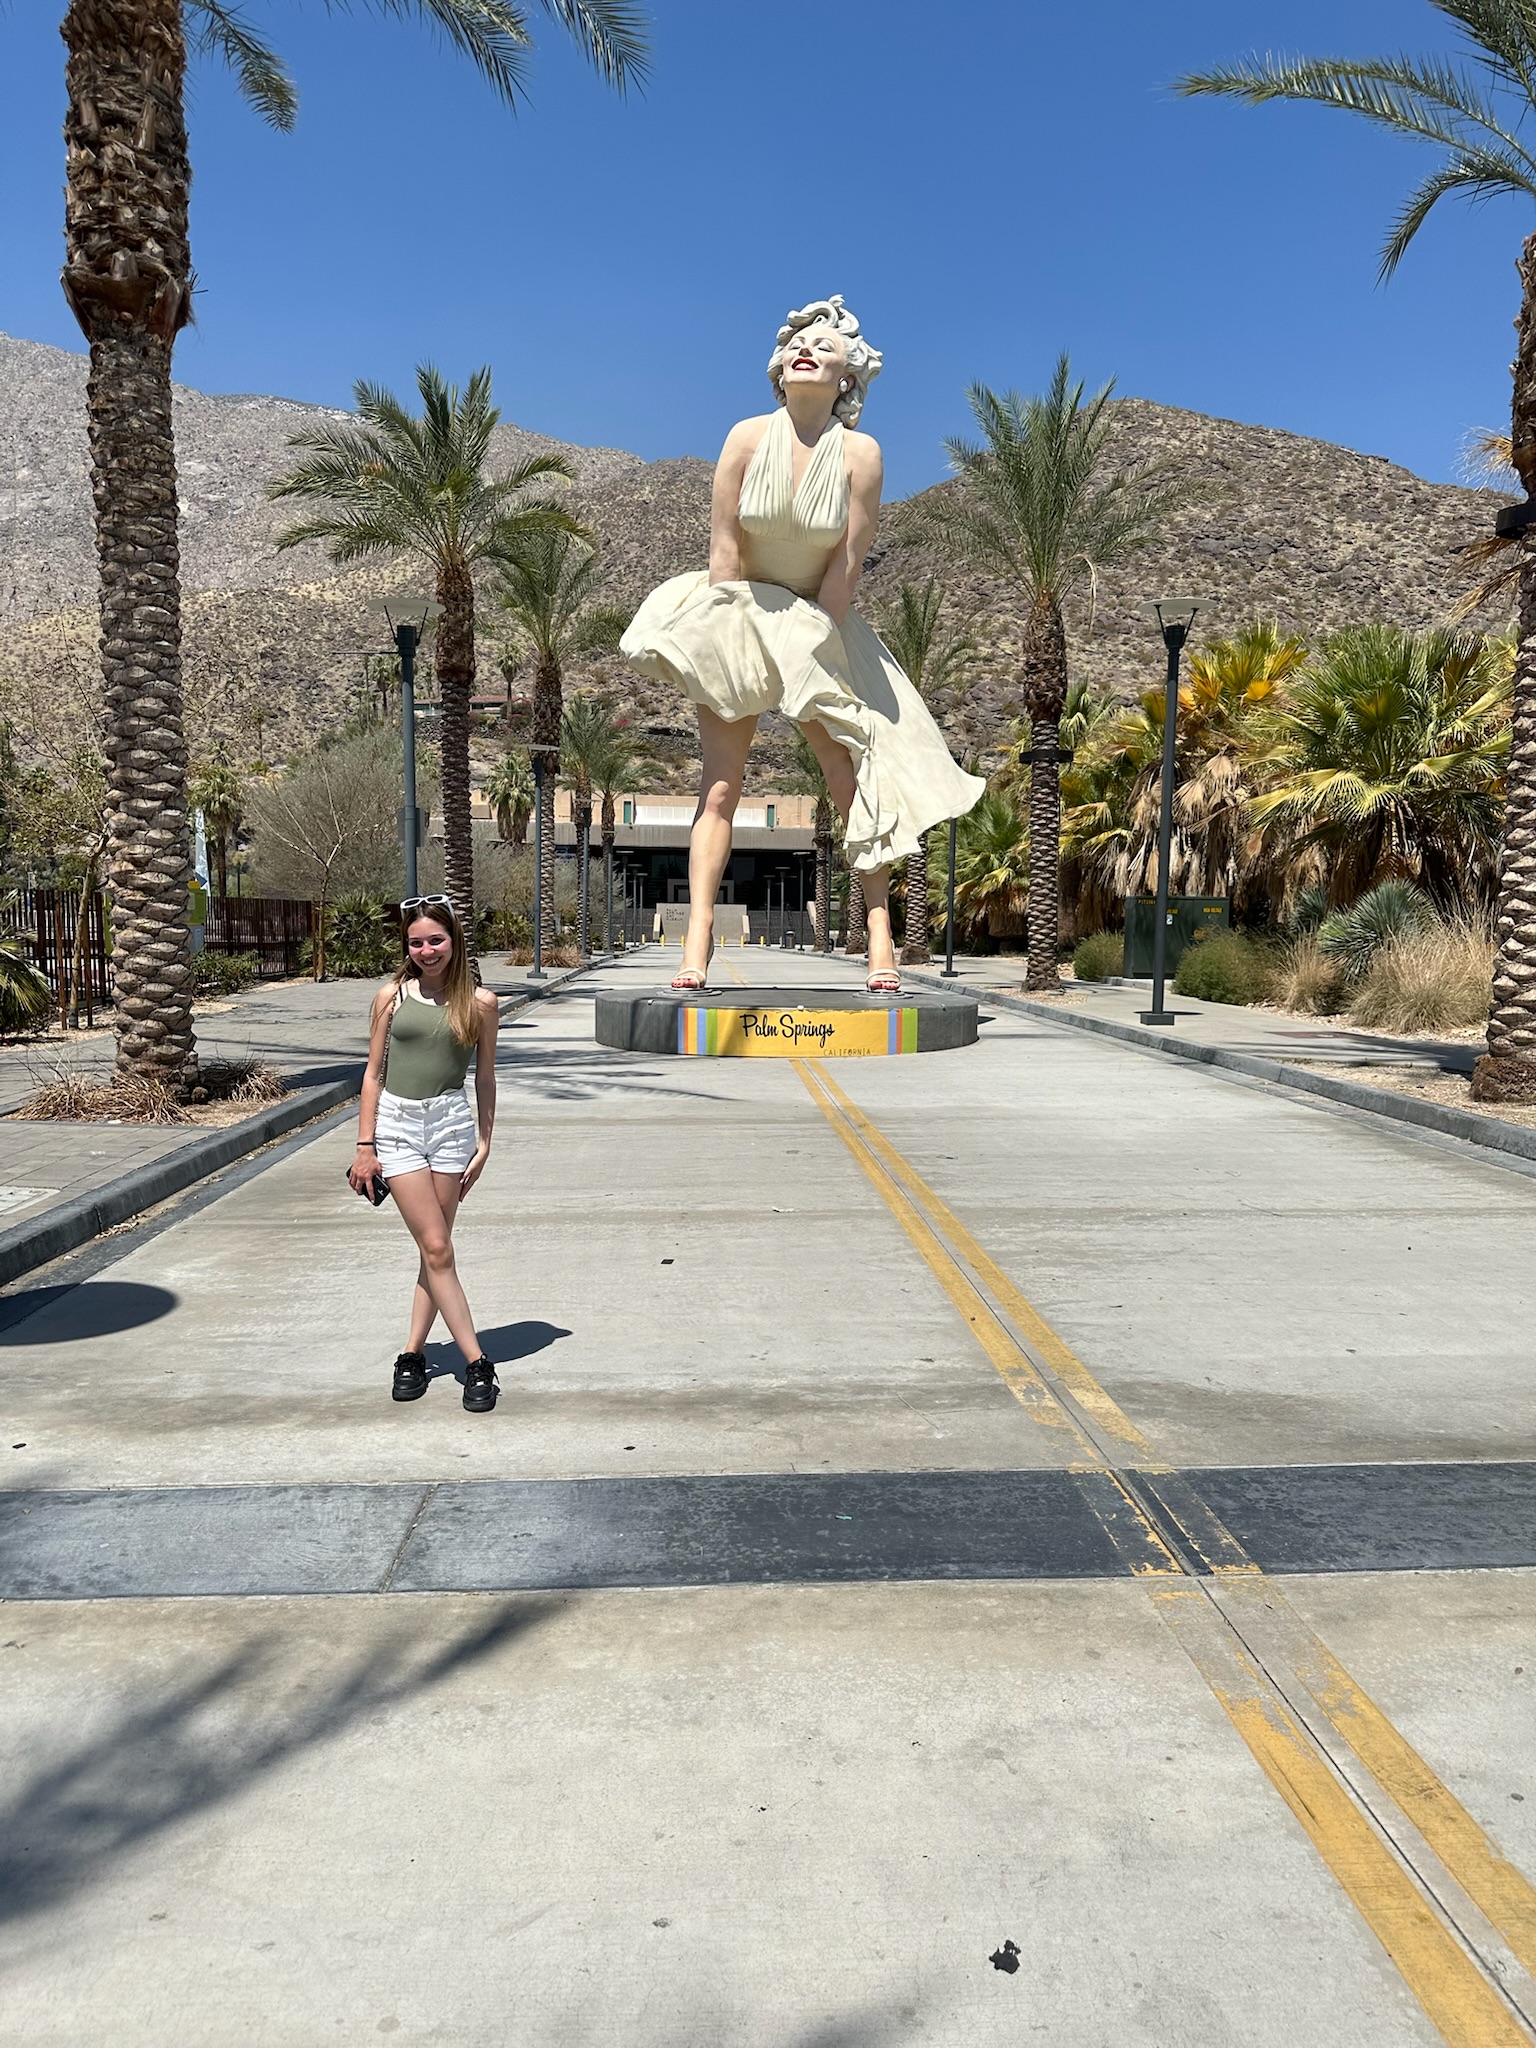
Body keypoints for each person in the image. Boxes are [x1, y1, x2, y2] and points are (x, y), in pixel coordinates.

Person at [621, 293, 984, 991]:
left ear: (849, 373)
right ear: (779, 367)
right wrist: (728, 636)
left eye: (824, 344)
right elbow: (724, 551)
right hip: (738, 609)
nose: (805, 349)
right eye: (795, 344)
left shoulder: (861, 455)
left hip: (818, 621)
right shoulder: (745, 438)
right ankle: (697, 937)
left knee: (850, 783)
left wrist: (811, 642)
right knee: (720, 786)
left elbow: (847, 566)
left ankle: (879, 935)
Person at [349, 894, 502, 1411]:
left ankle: (412, 1354)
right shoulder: (390, 997)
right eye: (416, 943)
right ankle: (477, 1362)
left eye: (436, 940)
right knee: (437, 1248)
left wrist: (485, 1141)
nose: (427, 951)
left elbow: (485, 1077)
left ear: (454, 941)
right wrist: (365, 1145)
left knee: (434, 1251)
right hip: (397, 1127)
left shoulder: (481, 1003)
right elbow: (372, 1074)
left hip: (451, 1127)